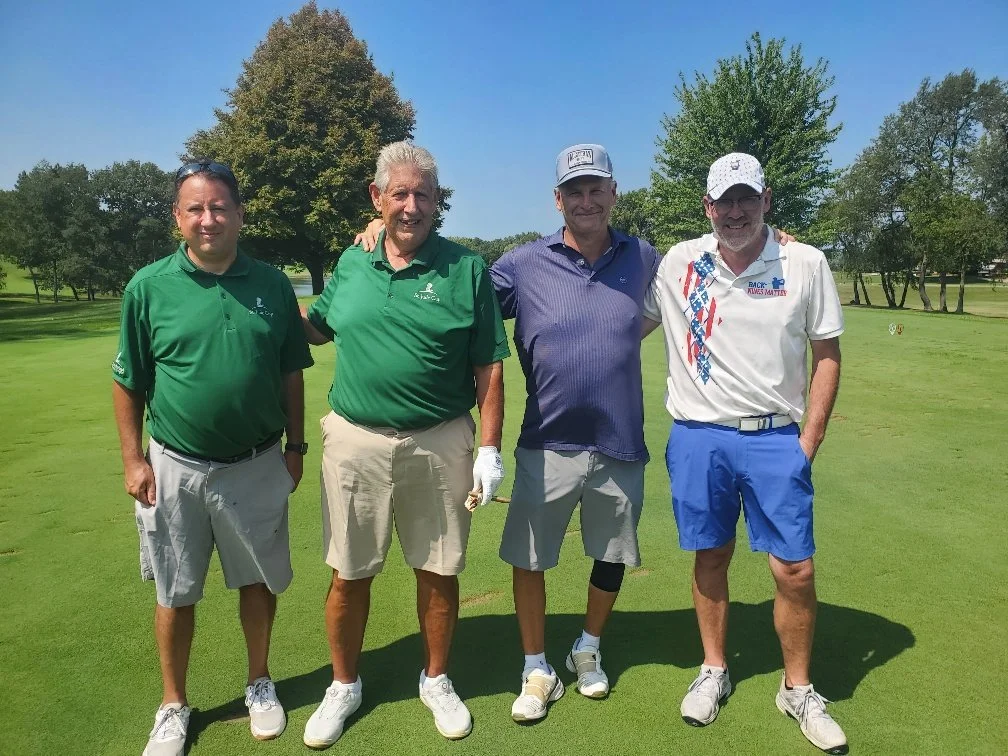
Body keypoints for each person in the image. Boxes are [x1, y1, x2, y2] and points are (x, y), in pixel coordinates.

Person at [356, 143, 677, 723]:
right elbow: (457, 291)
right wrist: (379, 232)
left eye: (595, 189)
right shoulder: (523, 264)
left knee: (610, 555)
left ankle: (589, 648)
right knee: (530, 558)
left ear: (612, 194)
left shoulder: (646, 258)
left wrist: (776, 238)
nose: (585, 200)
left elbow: (708, 266)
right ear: (558, 200)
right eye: (574, 191)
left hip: (620, 439)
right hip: (547, 438)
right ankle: (537, 666)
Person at [299, 141, 509, 747]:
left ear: (438, 201)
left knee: (438, 571)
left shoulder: (465, 267)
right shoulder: (352, 261)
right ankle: (344, 685)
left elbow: (489, 366)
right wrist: (259, 298)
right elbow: (316, 328)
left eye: (424, 194)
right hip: (355, 439)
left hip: (440, 439)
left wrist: (489, 449)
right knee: (348, 571)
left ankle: (436, 678)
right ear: (377, 198)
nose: (412, 206)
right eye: (400, 194)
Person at [641, 152, 848, 754]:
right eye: (723, 201)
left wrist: (807, 442)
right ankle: (713, 668)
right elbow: (622, 319)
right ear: (707, 207)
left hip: (777, 437)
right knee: (711, 555)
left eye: (746, 199)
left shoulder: (805, 262)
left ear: (766, 200)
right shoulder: (678, 262)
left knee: (795, 569)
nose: (735, 212)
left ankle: (798, 688)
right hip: (700, 435)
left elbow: (827, 355)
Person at [112, 161, 313, 756]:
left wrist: (296, 446)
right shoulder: (148, 287)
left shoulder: (273, 284)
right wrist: (132, 458)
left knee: (256, 580)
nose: (208, 219)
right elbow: (128, 382)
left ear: (240, 215)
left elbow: (290, 373)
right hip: (174, 465)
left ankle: (259, 682)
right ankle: (174, 705)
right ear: (178, 218)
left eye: (219, 207)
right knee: (175, 591)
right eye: (195, 209)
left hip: (256, 461)